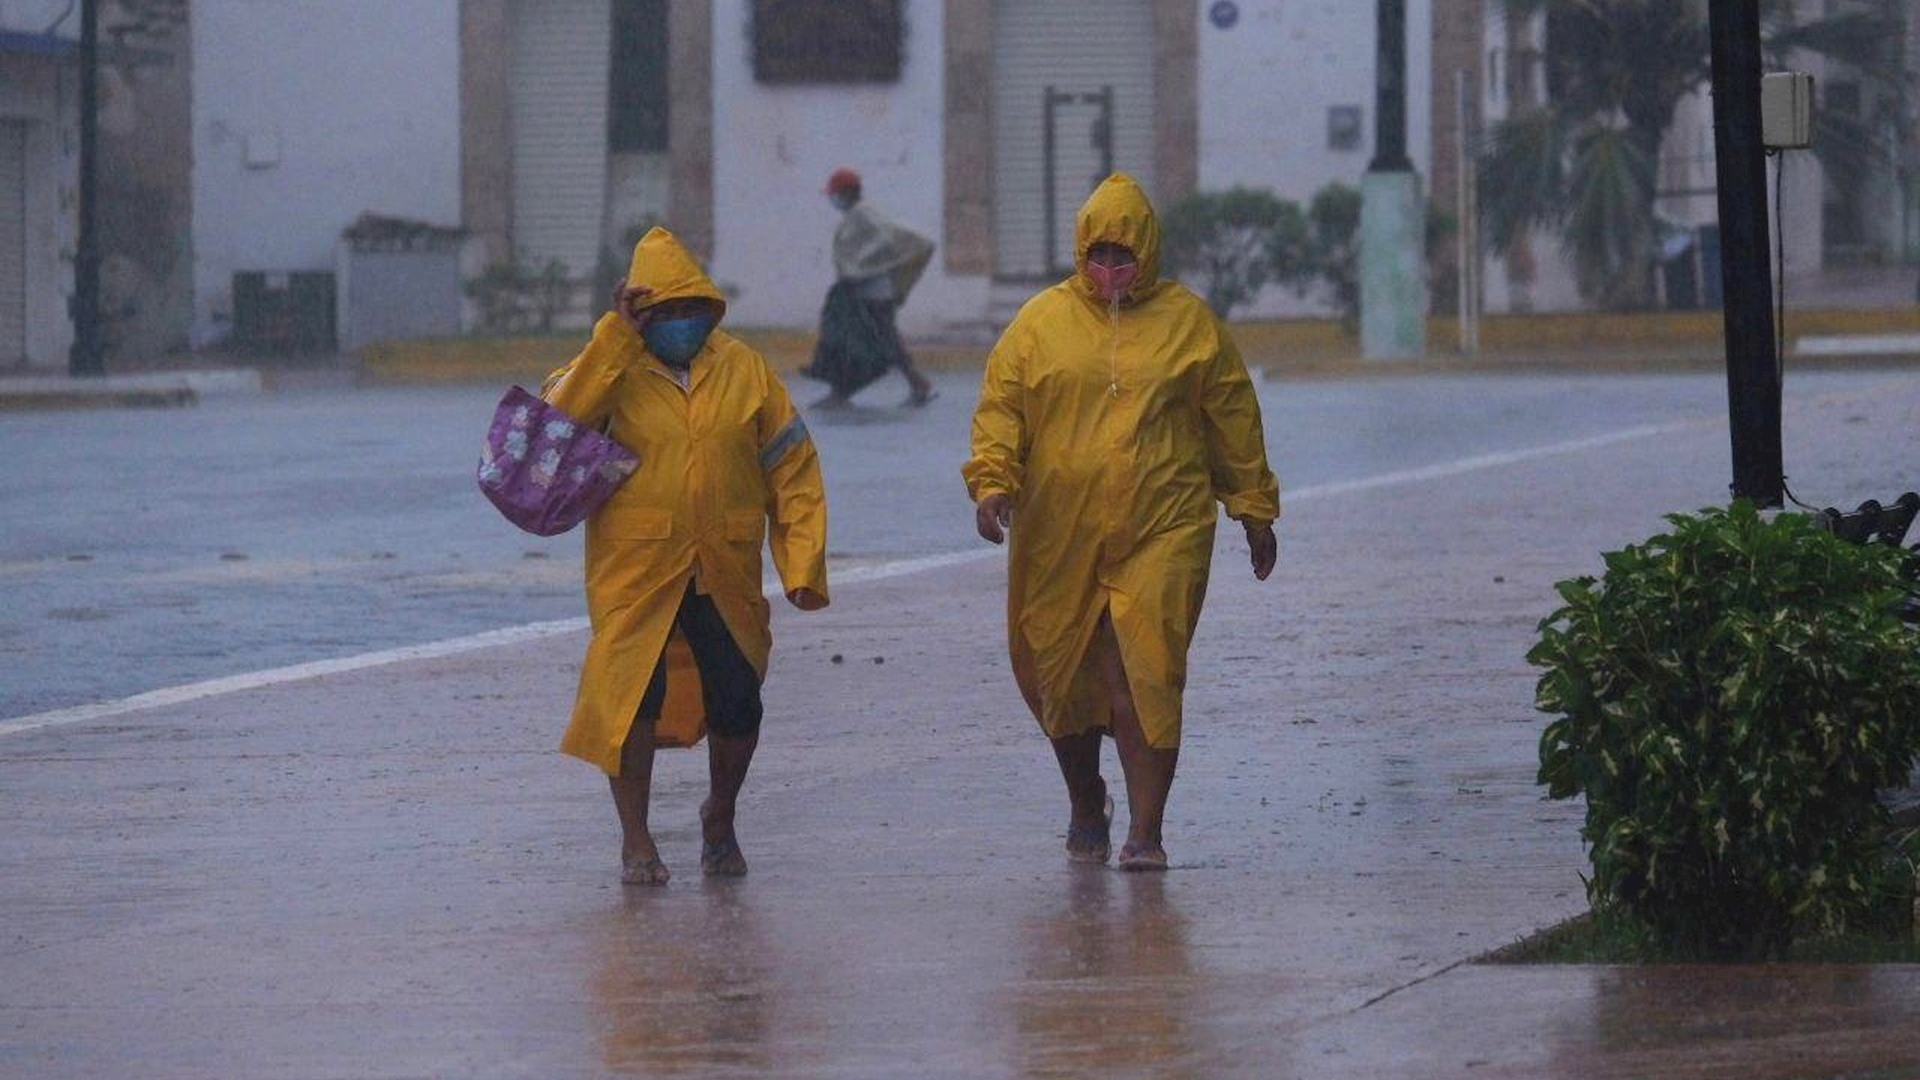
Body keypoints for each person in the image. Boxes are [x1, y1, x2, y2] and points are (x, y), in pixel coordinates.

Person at [962, 174, 1280, 872]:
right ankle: (1085, 799)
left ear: (1149, 253)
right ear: (1081, 252)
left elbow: (1232, 419)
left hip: (1163, 527)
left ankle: (1147, 831)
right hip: (1059, 531)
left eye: (1124, 255)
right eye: (1099, 254)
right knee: (1060, 676)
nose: (1111, 270)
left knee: (1147, 672)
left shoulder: (1191, 325)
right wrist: (992, 485)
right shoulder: (1038, 325)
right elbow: (1001, 412)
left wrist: (1253, 508)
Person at [542, 226, 829, 886]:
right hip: (636, 569)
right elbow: (559, 424)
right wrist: (614, 340)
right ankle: (636, 839)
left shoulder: (744, 369)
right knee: (630, 702)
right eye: (662, 313)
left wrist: (803, 561)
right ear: (638, 312)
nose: (678, 324)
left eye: (687, 309)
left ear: (707, 304)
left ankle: (720, 815)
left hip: (721, 566)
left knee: (738, 701)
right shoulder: (610, 363)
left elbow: (792, 463)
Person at [804, 167, 936, 408]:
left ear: (845, 192)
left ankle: (841, 393)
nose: (833, 199)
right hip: (867, 292)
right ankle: (916, 384)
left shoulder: (863, 215)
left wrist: (861, 268)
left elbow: (884, 241)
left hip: (872, 293)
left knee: (858, 341)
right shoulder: (857, 215)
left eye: (835, 194)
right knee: (879, 340)